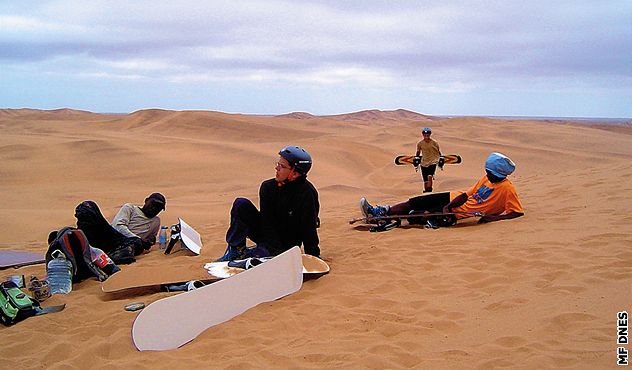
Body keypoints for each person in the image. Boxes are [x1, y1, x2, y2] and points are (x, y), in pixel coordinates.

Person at [361, 152, 524, 228]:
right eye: (487, 171)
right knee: (415, 201)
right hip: (453, 198)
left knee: (419, 215)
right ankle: (379, 212)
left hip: (460, 213)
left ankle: (390, 219)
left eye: (490, 173)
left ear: (500, 173)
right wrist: (449, 205)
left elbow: (516, 212)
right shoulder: (486, 178)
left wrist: (493, 218)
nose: (487, 174)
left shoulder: (507, 189)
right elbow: (467, 195)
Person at [216, 146, 320, 262]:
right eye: (278, 164)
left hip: (287, 245)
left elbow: (308, 228)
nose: (277, 168)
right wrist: (265, 246)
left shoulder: (307, 193)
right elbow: (267, 221)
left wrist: (313, 258)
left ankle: (263, 254)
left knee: (263, 254)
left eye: (282, 166)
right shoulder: (268, 187)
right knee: (241, 204)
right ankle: (236, 251)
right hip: (268, 236)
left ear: (295, 173)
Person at [74, 192, 166, 264]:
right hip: (111, 237)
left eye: (159, 208)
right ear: (146, 201)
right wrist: (138, 239)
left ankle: (111, 257)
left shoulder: (156, 221)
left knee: (136, 244)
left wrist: (148, 242)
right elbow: (118, 226)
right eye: (153, 204)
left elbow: (151, 240)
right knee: (88, 206)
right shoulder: (130, 208)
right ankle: (80, 241)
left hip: (127, 246)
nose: (154, 208)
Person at [413, 127, 442, 192]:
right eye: (425, 135)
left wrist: (441, 158)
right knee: (425, 180)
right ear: (423, 135)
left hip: (433, 161)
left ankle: (429, 190)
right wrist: (416, 158)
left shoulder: (434, 143)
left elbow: (438, 151)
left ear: (430, 134)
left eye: (428, 135)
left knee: (430, 176)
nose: (426, 136)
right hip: (423, 163)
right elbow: (418, 152)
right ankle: (426, 191)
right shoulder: (420, 143)